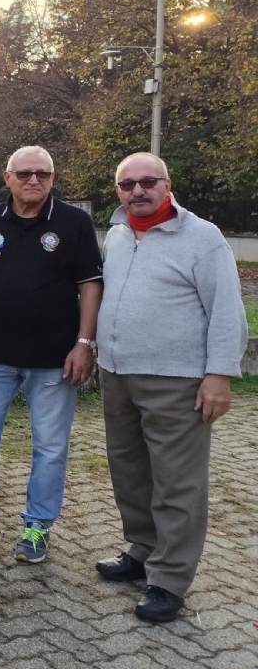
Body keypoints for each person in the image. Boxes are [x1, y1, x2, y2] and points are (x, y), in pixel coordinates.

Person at [95, 152, 248, 622]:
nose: (137, 191)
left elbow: (227, 310)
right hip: (117, 373)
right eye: (127, 184)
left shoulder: (202, 237)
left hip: (177, 380)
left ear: (167, 183)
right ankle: (143, 549)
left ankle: (169, 578)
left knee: (177, 482)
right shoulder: (118, 234)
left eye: (148, 182)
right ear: (118, 190)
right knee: (130, 470)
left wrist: (219, 376)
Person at [0, 145, 103, 564]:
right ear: (7, 176)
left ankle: (37, 526)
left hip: (55, 360)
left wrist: (84, 344)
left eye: (43, 174)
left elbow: (91, 286)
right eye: (25, 173)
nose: (34, 180)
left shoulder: (74, 223)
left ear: (52, 178)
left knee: (50, 447)